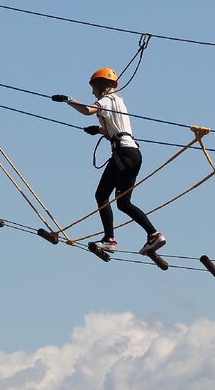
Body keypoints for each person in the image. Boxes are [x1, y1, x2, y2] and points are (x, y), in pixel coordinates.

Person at [51, 68, 166, 257]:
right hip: (134, 154)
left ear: (100, 86)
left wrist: (69, 100)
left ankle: (109, 240)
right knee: (124, 203)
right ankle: (154, 234)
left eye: (93, 88)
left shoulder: (106, 100)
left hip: (122, 154)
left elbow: (88, 110)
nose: (92, 92)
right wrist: (98, 130)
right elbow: (117, 129)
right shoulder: (119, 102)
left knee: (101, 195)